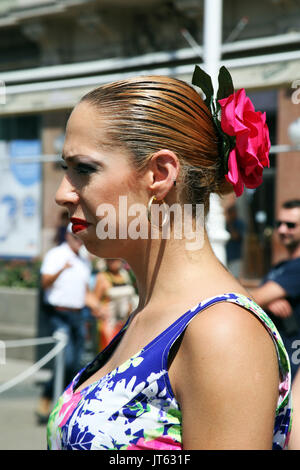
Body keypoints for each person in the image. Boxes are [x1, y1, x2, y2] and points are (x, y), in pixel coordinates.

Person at [46, 71, 291, 450]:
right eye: (66, 170)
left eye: (84, 169)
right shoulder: (154, 312)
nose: (64, 194)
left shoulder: (221, 332)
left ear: (159, 175)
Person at [36, 224, 99, 423]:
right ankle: (47, 396)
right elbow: (44, 283)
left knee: (76, 364)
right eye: (74, 236)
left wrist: (98, 308)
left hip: (78, 314)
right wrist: (61, 270)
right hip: (59, 314)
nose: (78, 240)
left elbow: (85, 292)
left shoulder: (83, 260)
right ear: (67, 236)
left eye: (80, 236)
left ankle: (62, 406)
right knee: (67, 360)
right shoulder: (56, 255)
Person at [250, 199, 300, 379]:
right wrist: (267, 302)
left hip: (293, 369)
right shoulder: (281, 266)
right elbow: (257, 299)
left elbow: (251, 299)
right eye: (279, 224)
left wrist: (263, 300)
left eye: (290, 225)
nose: (282, 230)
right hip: (276, 365)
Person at [93, 259, 137, 350]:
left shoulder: (125, 275)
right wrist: (101, 312)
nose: (113, 262)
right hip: (109, 324)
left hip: (125, 323)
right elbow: (95, 302)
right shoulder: (102, 277)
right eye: (110, 260)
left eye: (115, 259)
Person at [225, 204, 245, 278]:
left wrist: (230, 225)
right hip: (227, 255)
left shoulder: (240, 223)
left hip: (236, 256)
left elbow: (236, 236)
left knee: (234, 277)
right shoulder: (226, 224)